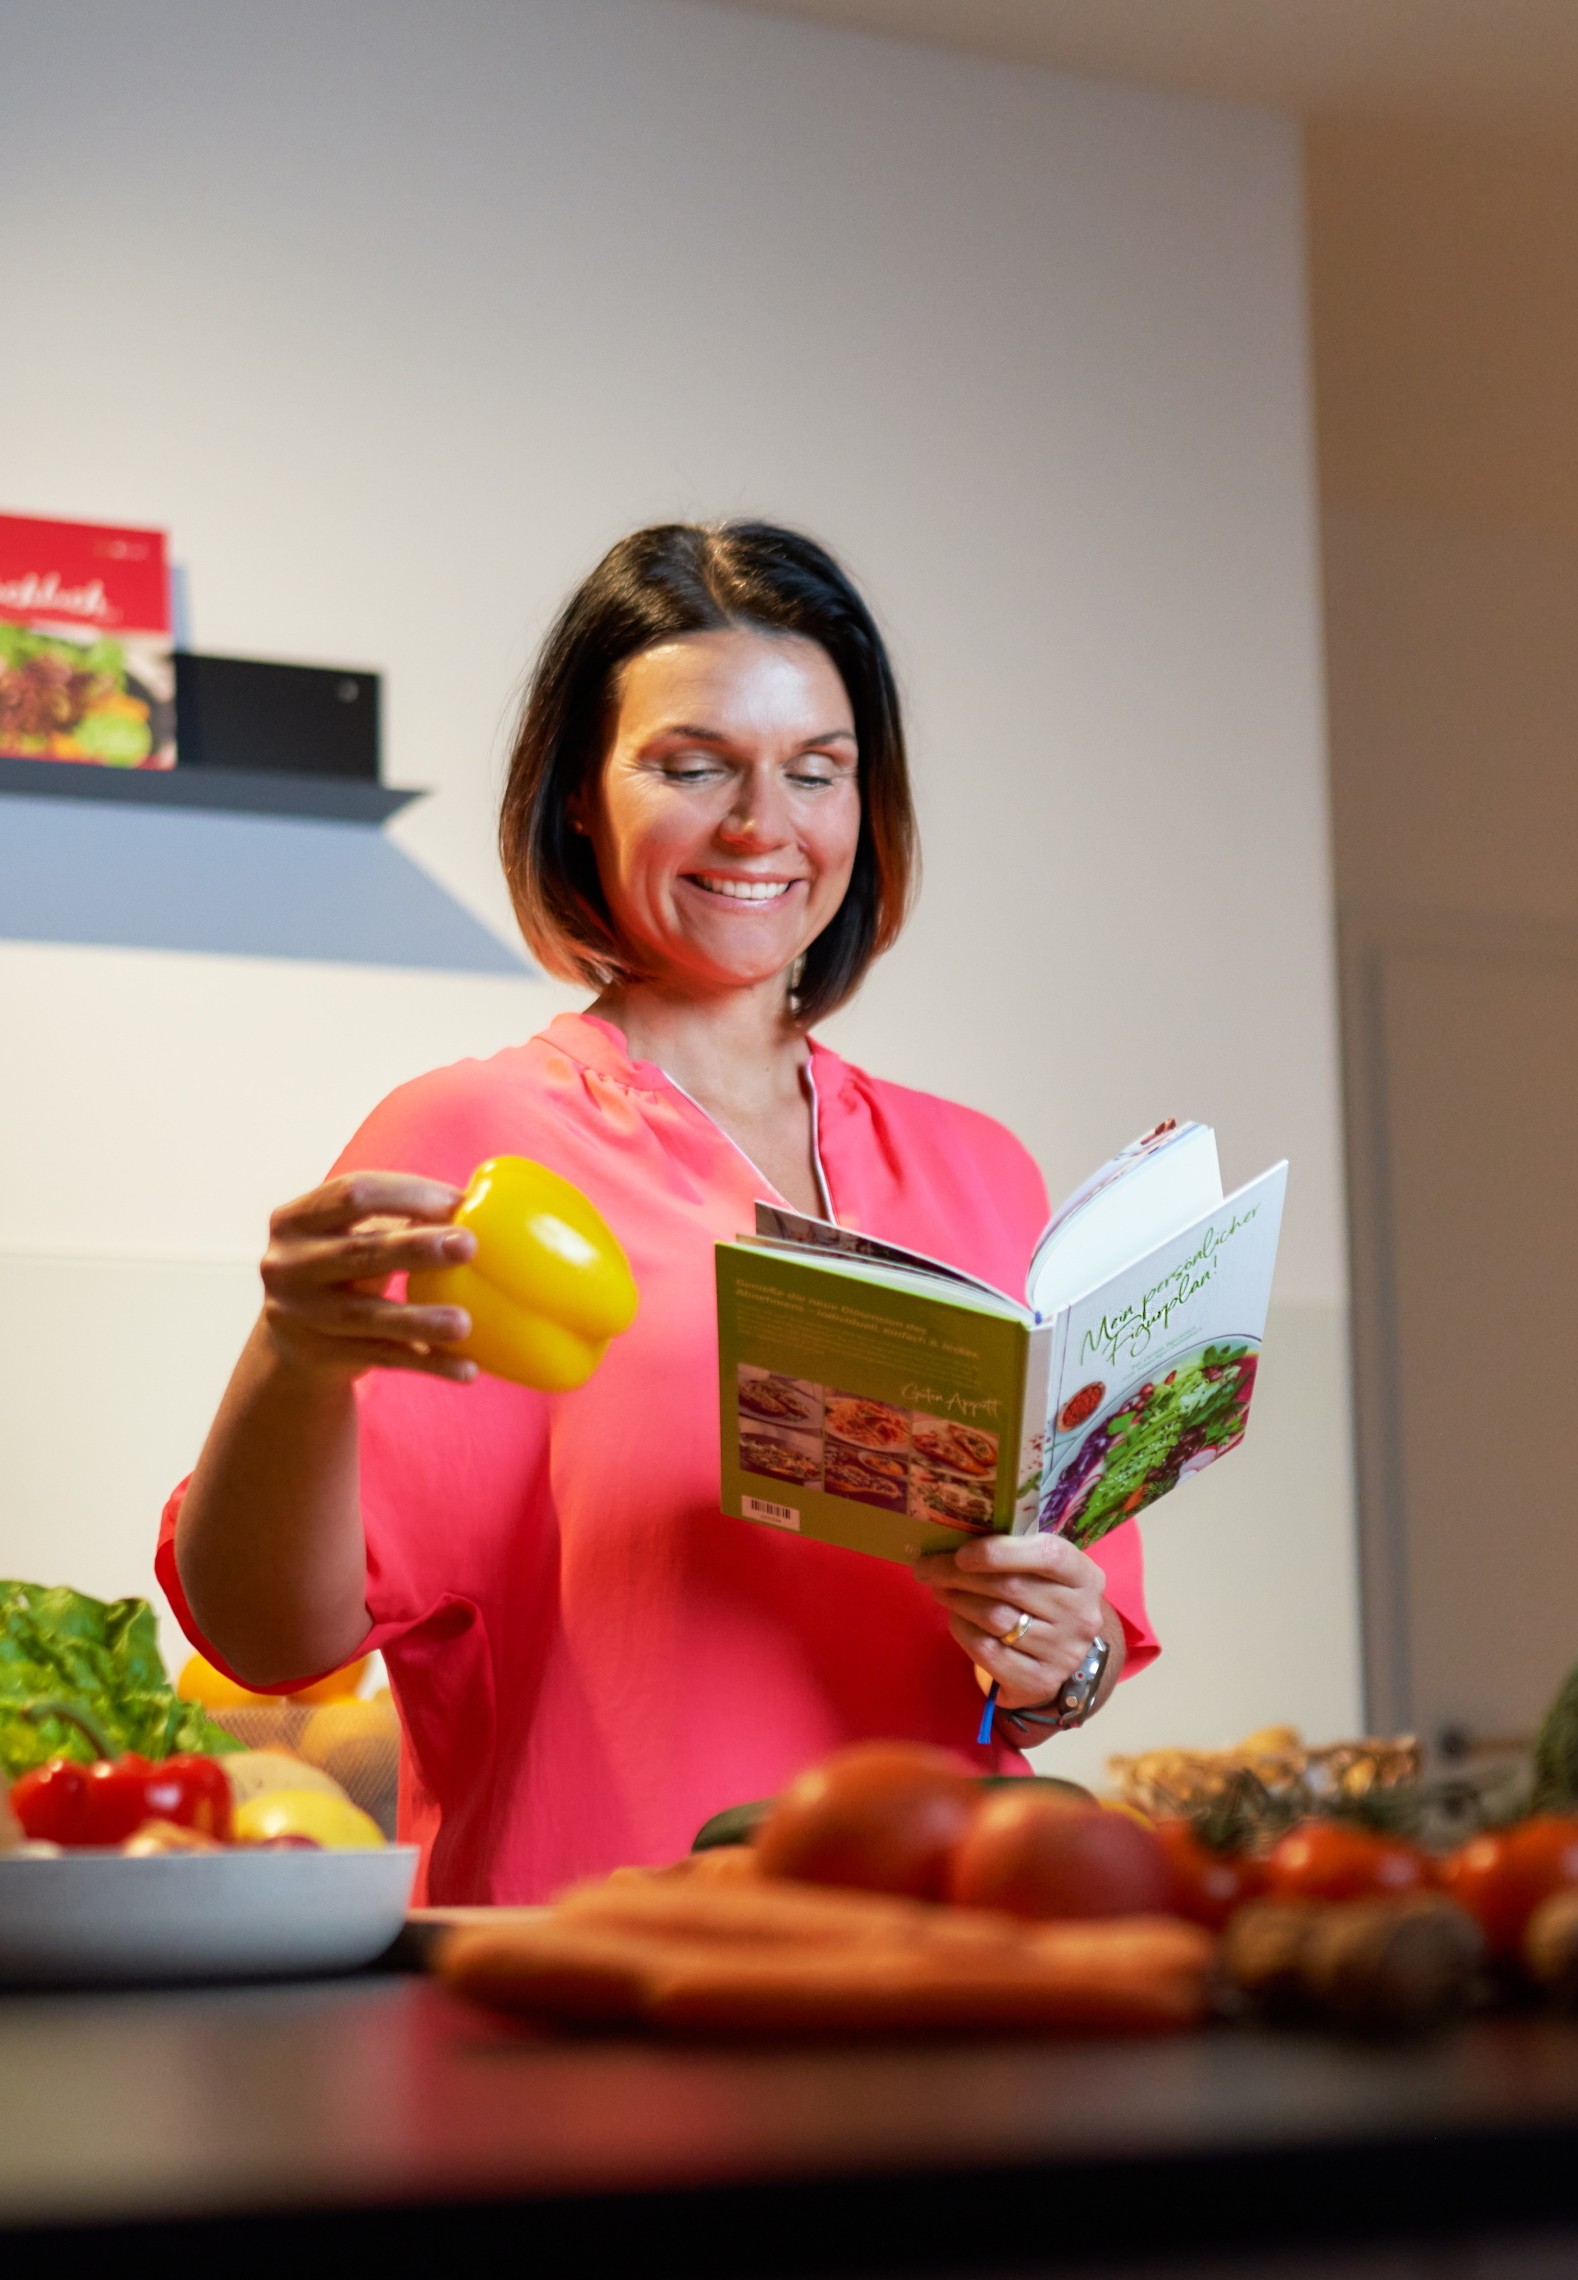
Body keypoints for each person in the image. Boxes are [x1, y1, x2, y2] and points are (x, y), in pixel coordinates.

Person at [160, 522, 1157, 1903]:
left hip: (938, 1952)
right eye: (693, 768)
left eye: (816, 770)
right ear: (580, 795)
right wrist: (294, 1353)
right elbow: (269, 1640)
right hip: (599, 1958)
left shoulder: (981, 1170)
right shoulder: (469, 1142)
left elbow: (1049, 1675)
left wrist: (1061, 1657)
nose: (761, 825)